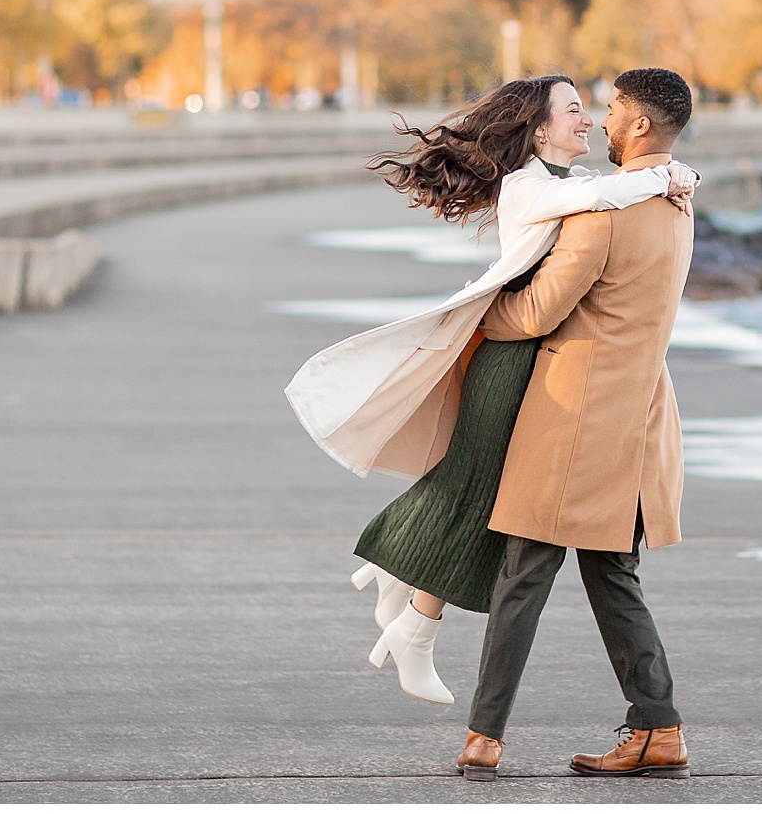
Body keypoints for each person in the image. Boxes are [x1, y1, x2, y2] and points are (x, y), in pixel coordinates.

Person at [283, 74, 697, 705]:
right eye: (574, 110)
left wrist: (675, 174)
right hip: (509, 355)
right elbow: (612, 195)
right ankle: (410, 610)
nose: (589, 119)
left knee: (477, 486)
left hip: (533, 358)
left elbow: (606, 191)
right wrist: (671, 176)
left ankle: (408, 601)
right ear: (539, 129)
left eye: (595, 108)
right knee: (481, 492)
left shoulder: (567, 184)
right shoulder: (529, 186)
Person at [453, 67, 697, 783]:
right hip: (642, 415)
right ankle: (659, 729)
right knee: (613, 573)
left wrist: (471, 317)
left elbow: (537, 312)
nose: (603, 121)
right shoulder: (679, 201)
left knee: (524, 574)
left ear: (641, 125)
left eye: (613, 109)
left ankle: (484, 738)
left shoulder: (603, 213)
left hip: (576, 418)